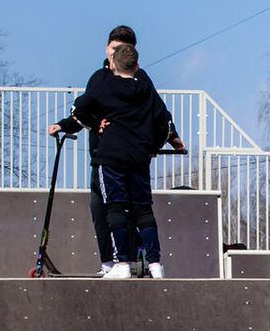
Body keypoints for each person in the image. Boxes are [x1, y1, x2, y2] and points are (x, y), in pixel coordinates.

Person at [58, 25, 186, 276]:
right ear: (108, 50)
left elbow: (81, 108)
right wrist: (71, 125)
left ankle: (124, 262)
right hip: (118, 157)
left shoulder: (121, 83)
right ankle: (136, 262)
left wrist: (171, 137)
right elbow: (159, 114)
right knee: (111, 208)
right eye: (116, 47)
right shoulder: (105, 79)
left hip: (115, 157)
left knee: (121, 207)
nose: (119, 52)